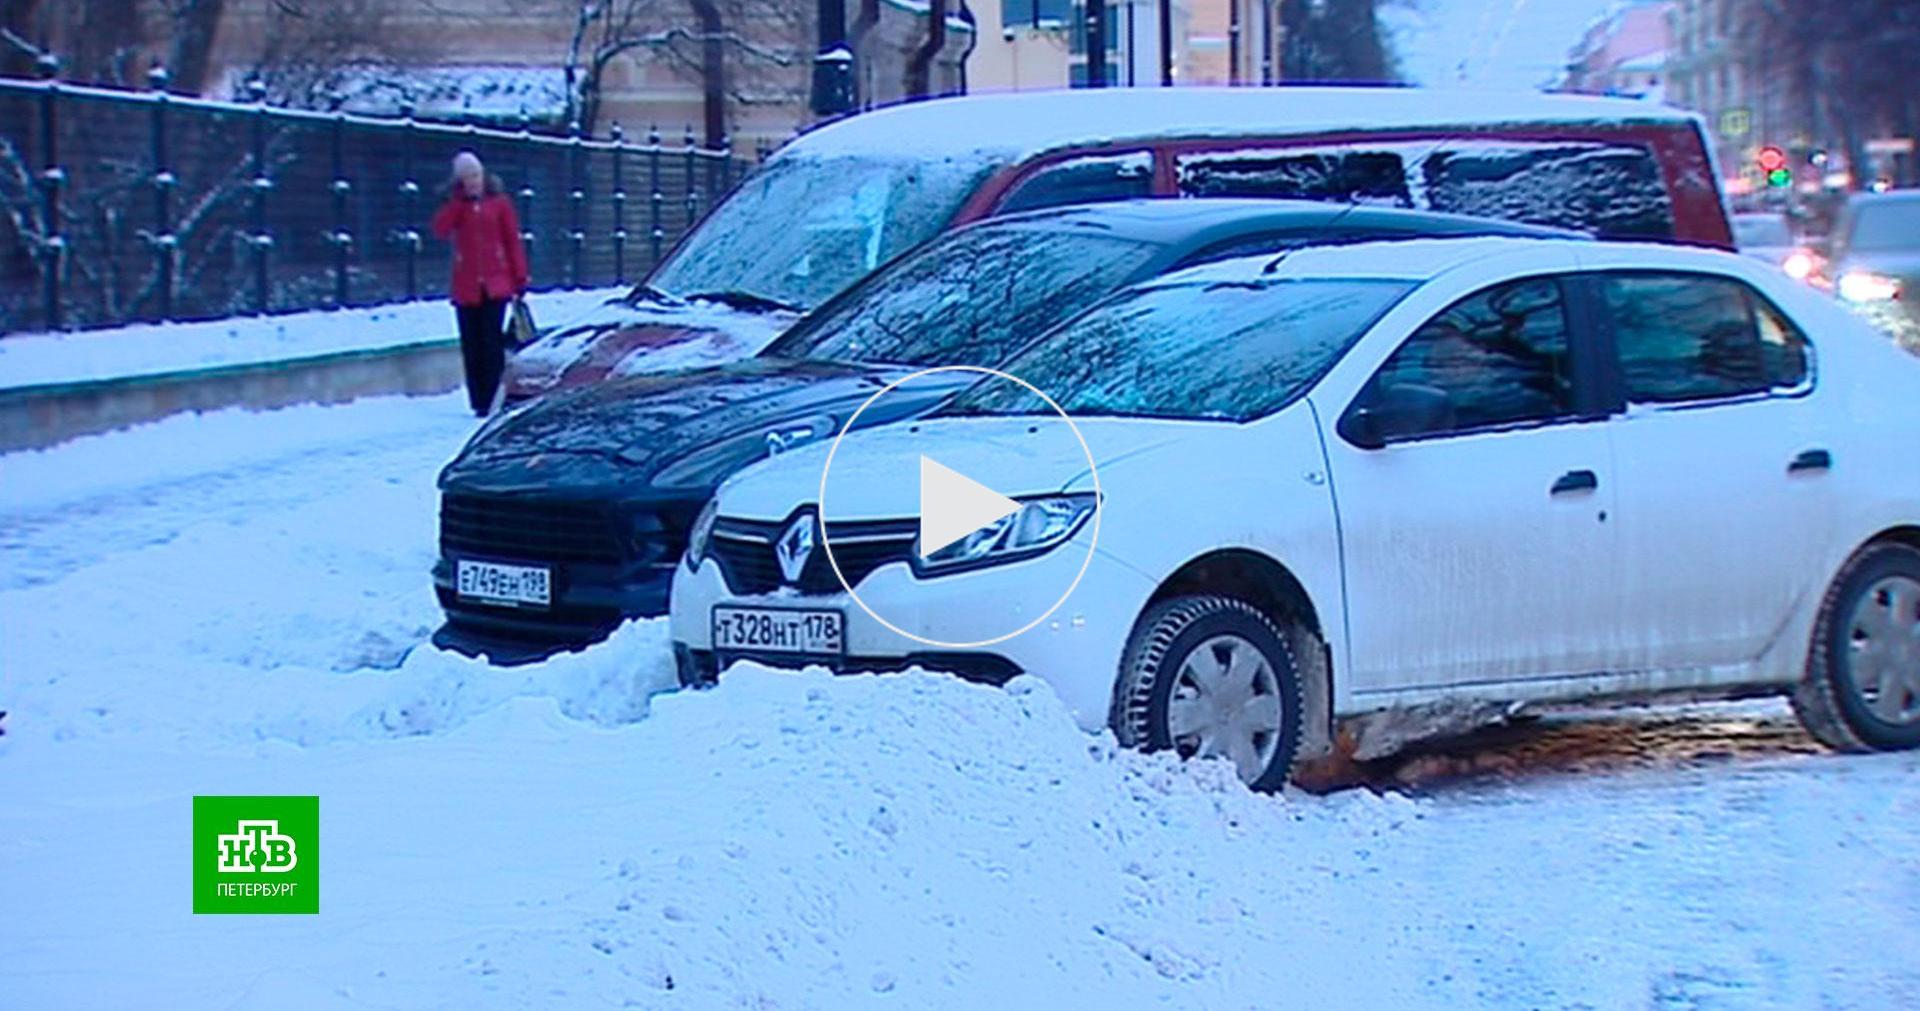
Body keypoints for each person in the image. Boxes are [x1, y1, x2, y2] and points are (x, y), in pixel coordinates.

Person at [432, 151, 529, 416]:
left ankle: (495, 397)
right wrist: (458, 201)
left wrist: (520, 278)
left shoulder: (499, 203)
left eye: (475, 175)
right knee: (471, 344)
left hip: (496, 284)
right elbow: (440, 229)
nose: (473, 181)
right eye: (466, 178)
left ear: (483, 174)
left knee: (491, 343)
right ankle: (479, 402)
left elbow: (512, 241)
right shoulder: (457, 205)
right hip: (467, 287)